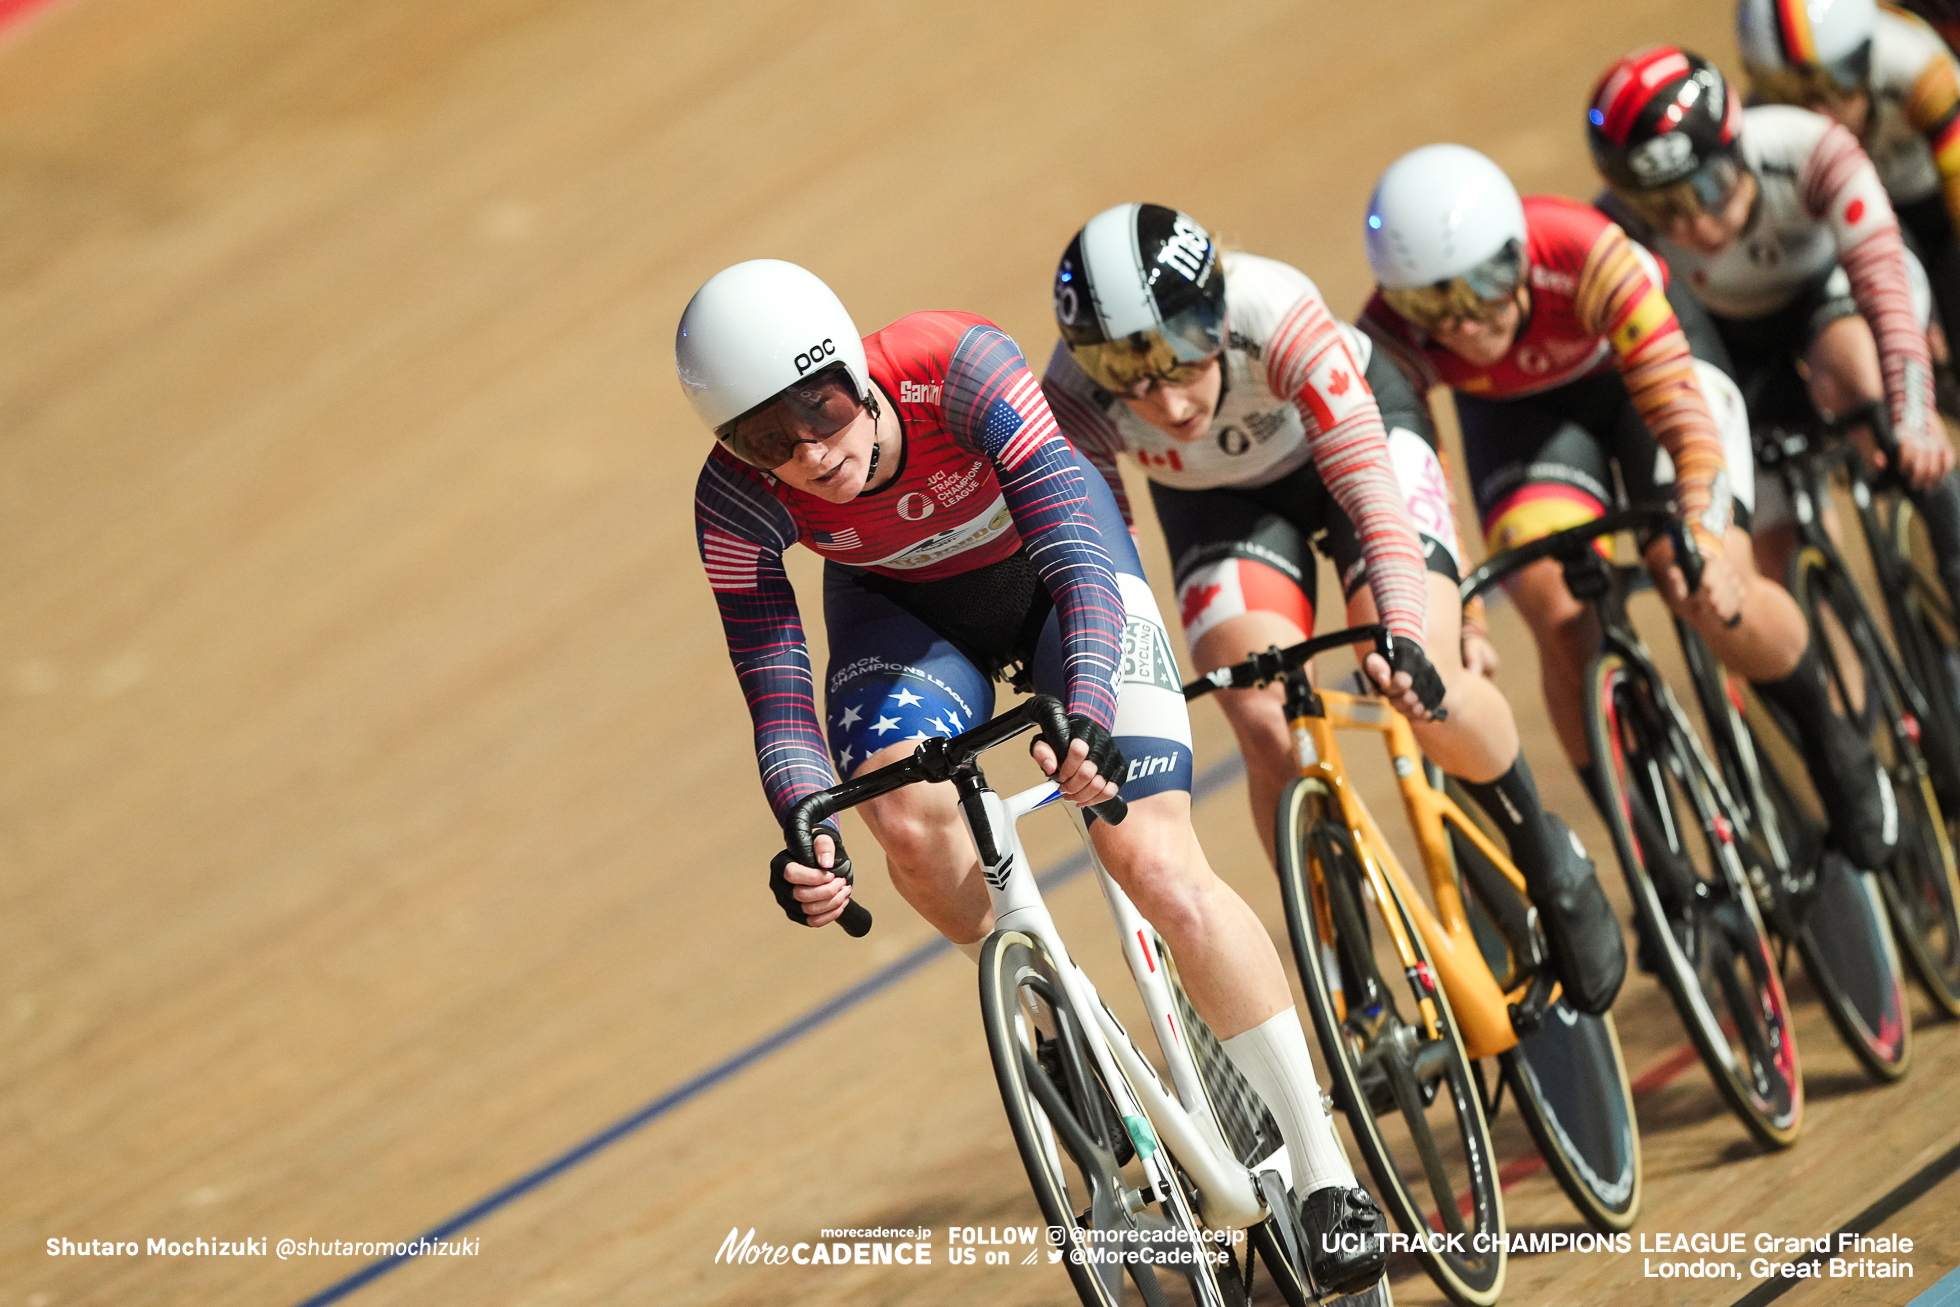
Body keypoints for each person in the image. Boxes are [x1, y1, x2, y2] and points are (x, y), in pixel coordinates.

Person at [680, 258, 1387, 1291]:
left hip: (1062, 585)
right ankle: (1057, 1018)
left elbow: (1069, 536)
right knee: (900, 820)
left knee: (1150, 856)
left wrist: (1089, 711)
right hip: (908, 619)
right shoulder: (732, 502)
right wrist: (804, 821)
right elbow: (775, 679)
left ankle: (1326, 1175)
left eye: (820, 409)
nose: (810, 452)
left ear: (852, 366)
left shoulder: (954, 365)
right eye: (765, 440)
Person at [1041, 203, 1626, 1015]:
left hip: (1352, 454)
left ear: (1214, 312)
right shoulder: (1070, 396)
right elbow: (1108, 568)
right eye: (1128, 376)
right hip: (1220, 508)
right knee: (1259, 711)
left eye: (1182, 358)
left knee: (1429, 685)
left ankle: (1546, 849)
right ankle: (1345, 965)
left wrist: (1406, 630)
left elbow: (1368, 489)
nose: (1166, 401)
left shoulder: (1272, 314)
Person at [1360, 142, 1901, 876]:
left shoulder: (1584, 250)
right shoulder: (1388, 336)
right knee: (1554, 610)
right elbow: (1423, 485)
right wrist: (1469, 622)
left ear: (1518, 252)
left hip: (1643, 376)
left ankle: (1832, 738)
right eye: (1431, 304)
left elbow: (1683, 420)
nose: (1460, 323)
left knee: (1701, 581)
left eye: (1483, 283)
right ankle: (1652, 858)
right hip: (1523, 422)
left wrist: (1705, 536)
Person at [1588, 44, 1960, 776]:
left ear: (1738, 142)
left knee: (1853, 372)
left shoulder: (1805, 146)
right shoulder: (1617, 236)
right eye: (1665, 210)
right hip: (1732, 346)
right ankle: (1871, 760)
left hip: (1834, 296)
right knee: (1771, 557)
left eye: (1711, 187)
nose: (1696, 224)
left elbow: (1883, 278)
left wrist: (1913, 412)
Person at [1735, 0, 1960, 385]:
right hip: (1860, 219)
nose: (1818, 113)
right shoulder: (1757, 125)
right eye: (1786, 94)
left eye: (1833, 85)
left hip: (1933, 198)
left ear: (1866, 60)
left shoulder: (1920, 70)